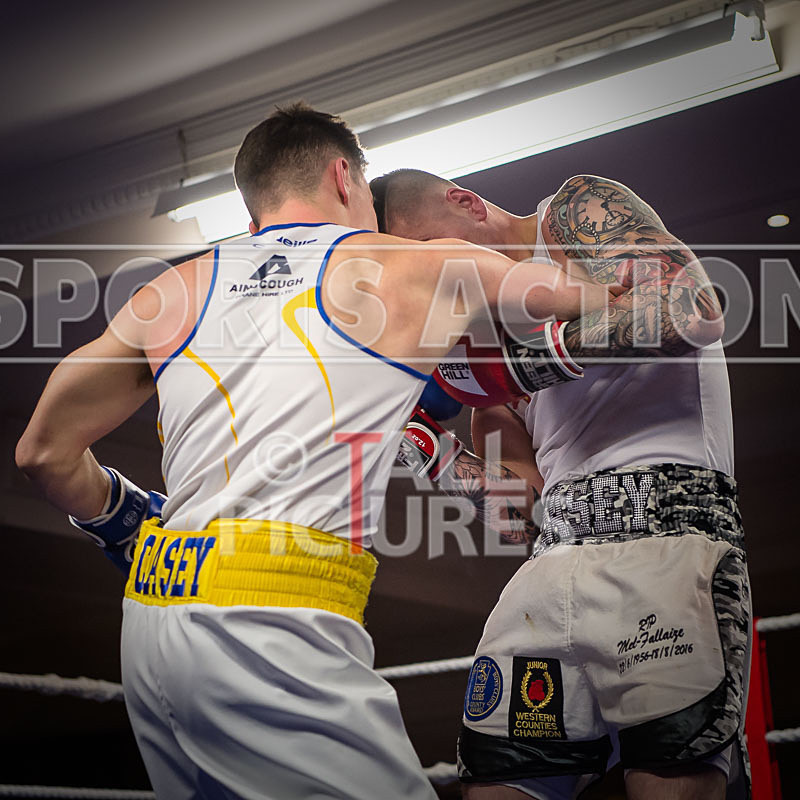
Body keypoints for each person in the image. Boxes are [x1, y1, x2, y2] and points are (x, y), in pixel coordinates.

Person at [15, 106, 611, 800]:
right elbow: (606, 303)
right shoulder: (414, 266)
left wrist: (124, 522)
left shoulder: (172, 289)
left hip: (150, 627)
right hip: (271, 626)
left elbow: (43, 453)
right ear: (343, 176)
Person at [372, 169, 750, 800]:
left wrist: (527, 364)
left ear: (466, 204)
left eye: (430, 253)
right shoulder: (469, 350)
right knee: (497, 784)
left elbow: (691, 310)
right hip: (550, 567)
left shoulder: (575, 212)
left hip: (665, 535)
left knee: (668, 780)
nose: (430, 277)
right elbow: (516, 510)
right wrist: (426, 450)